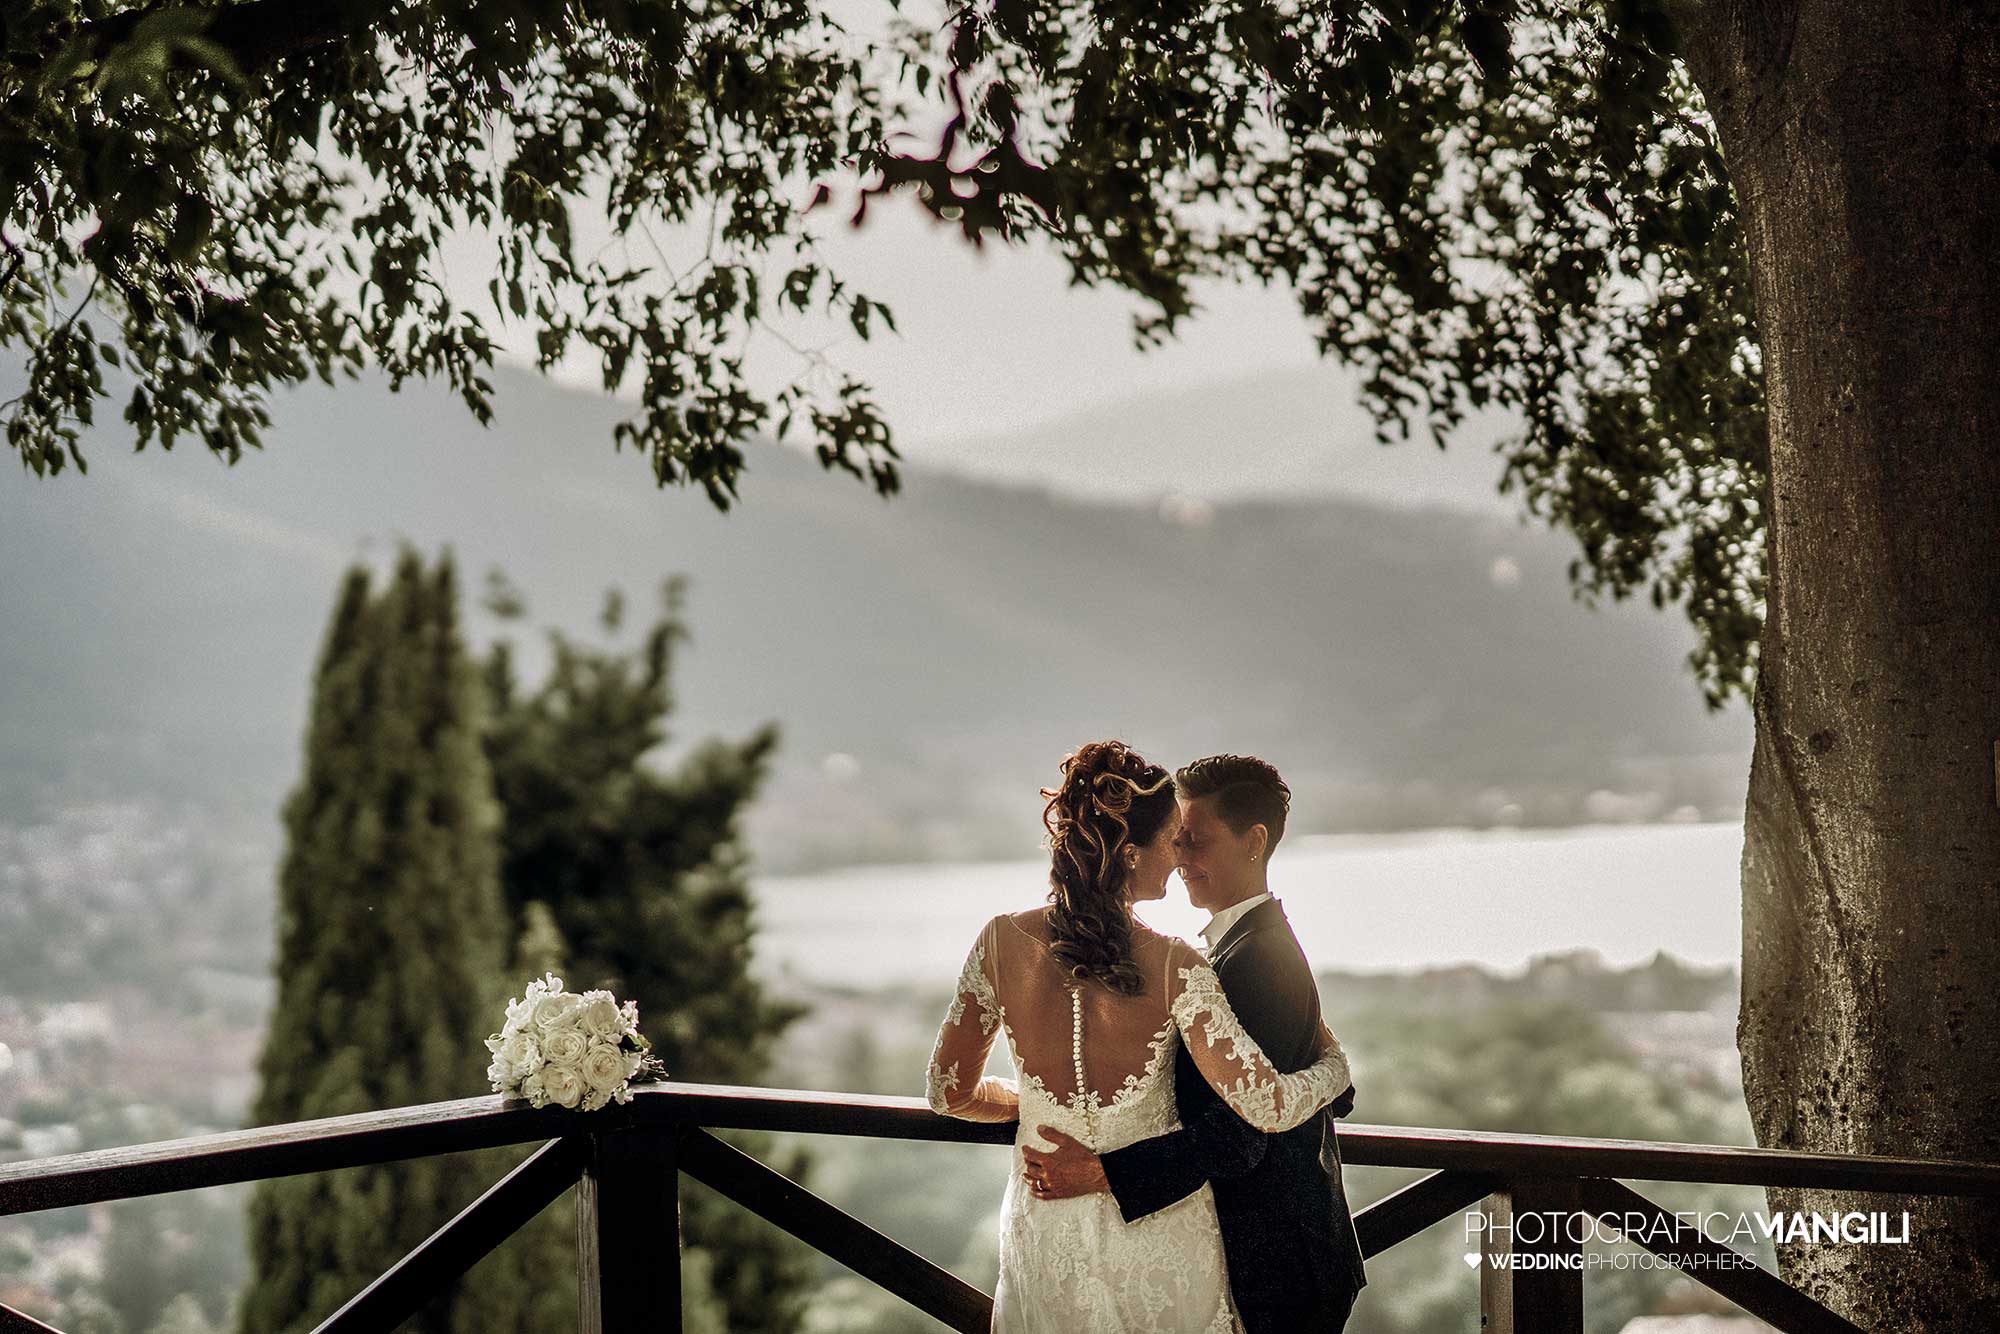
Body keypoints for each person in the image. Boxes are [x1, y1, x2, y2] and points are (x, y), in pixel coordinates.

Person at [926, 740, 1351, 1333]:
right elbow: (1266, 1106)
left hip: (1046, 1222)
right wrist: (1336, 1069)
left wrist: (1043, 1108)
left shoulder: (998, 941)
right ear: (1130, 853)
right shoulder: (1176, 965)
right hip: (1159, 1237)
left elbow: (948, 1093)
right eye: (1173, 839)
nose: (1178, 856)